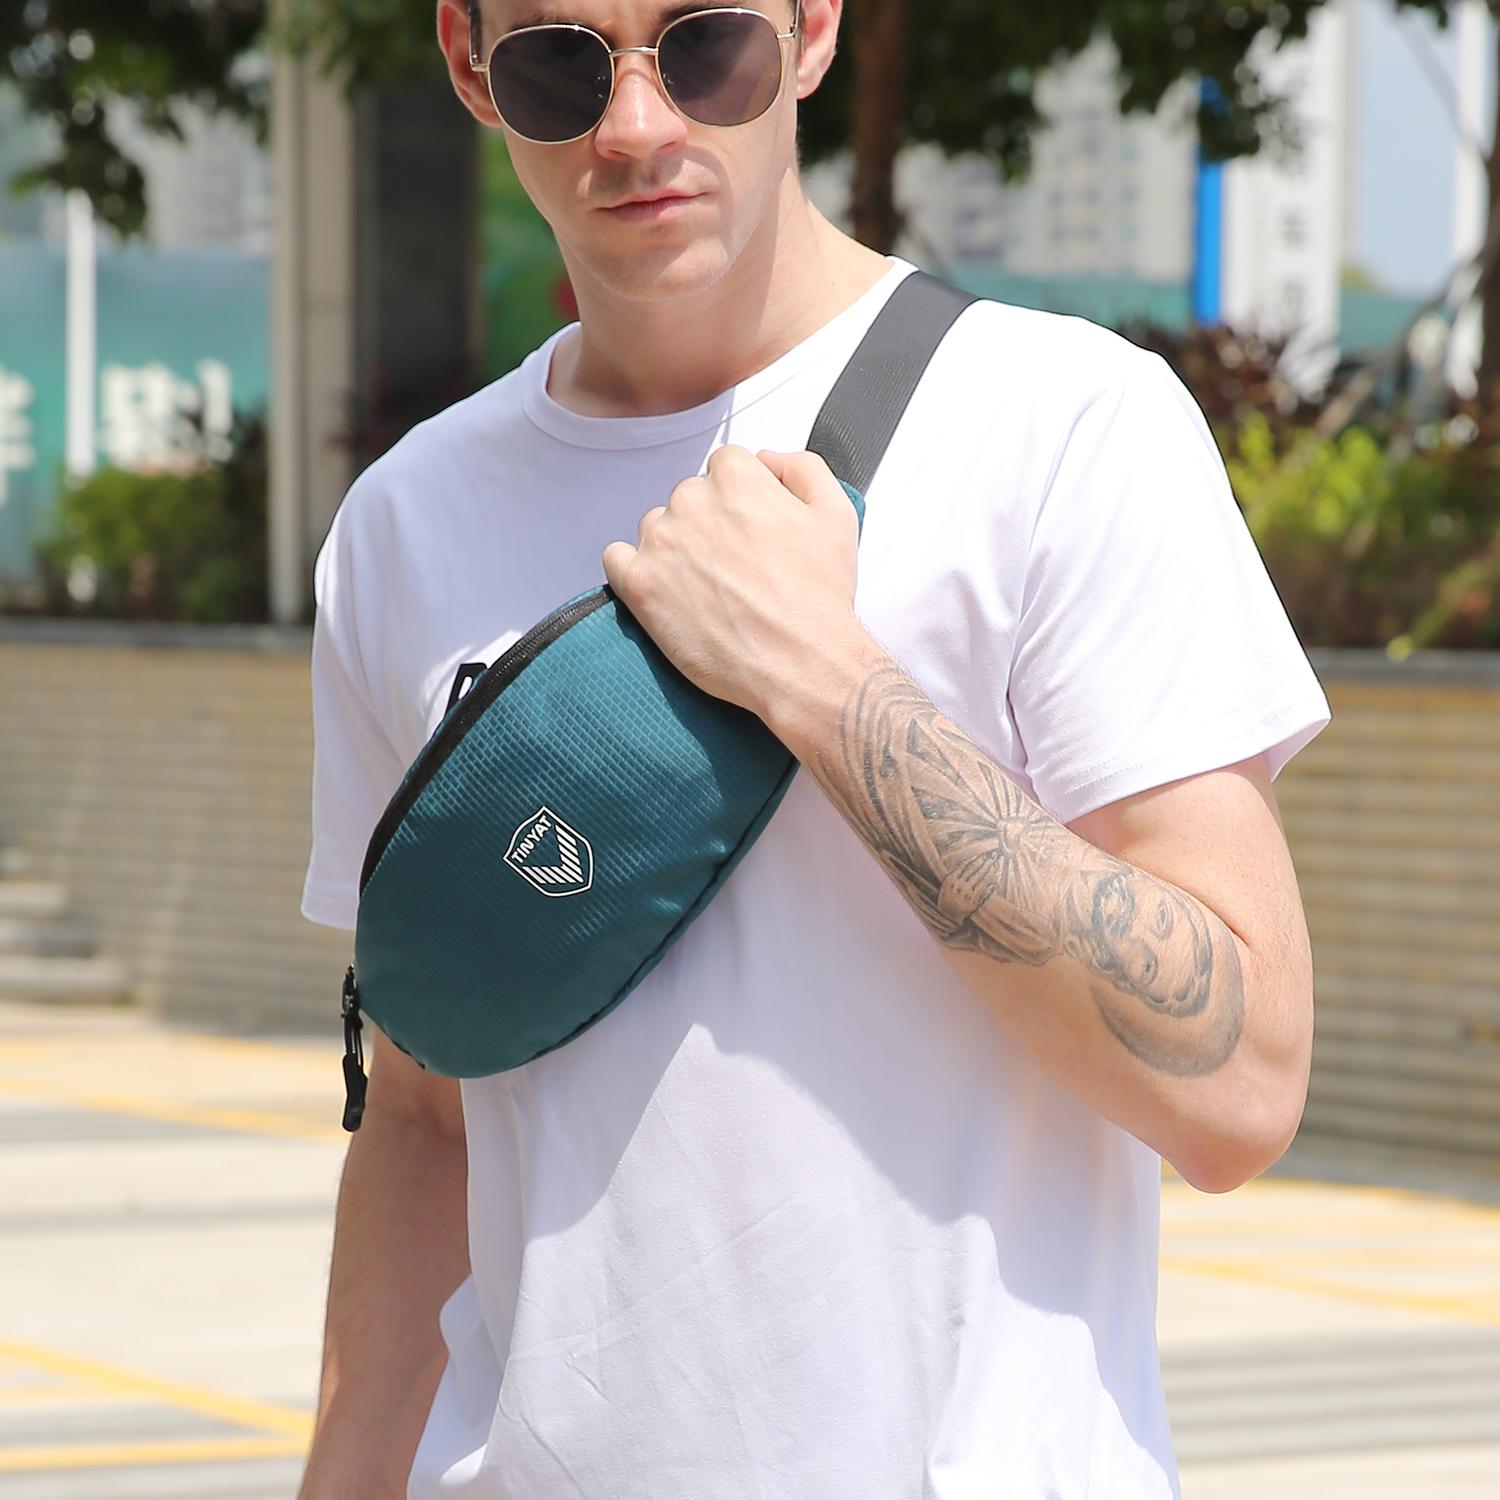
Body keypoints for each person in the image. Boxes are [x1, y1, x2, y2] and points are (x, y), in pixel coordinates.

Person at [295, 0, 1332, 1494]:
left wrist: (827, 684)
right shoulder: (406, 521)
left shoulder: (1063, 428)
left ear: (814, 28)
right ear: (469, 65)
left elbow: (1239, 1087)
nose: (636, 128)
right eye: (559, 65)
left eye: (704, 46)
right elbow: (424, 1114)